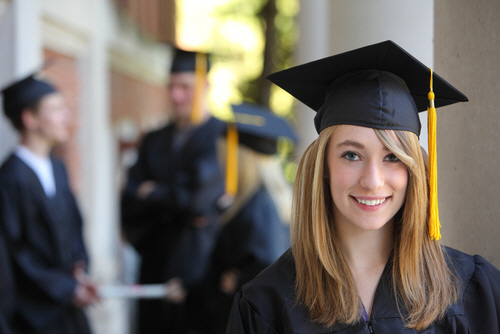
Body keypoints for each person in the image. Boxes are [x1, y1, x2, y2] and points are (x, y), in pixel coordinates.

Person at [226, 40, 500, 333]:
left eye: (392, 157)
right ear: (324, 168)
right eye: (351, 155)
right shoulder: (266, 304)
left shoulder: (472, 290)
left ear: (413, 170)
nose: (372, 180)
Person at [121, 48, 226, 333]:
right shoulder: (154, 140)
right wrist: (179, 201)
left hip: (201, 266)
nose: (176, 96)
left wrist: (153, 193)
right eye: (171, 87)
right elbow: (129, 201)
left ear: (205, 87)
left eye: (185, 87)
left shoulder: (223, 137)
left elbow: (197, 200)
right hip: (155, 261)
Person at [0, 73, 99, 334]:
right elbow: (15, 253)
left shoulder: (57, 167)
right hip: (34, 314)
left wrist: (79, 269)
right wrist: (65, 288)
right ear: (29, 118)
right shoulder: (10, 179)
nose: (66, 116)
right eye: (55, 109)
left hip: (68, 307)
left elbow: (74, 225)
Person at [189, 103, 297, 333]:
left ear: (241, 159)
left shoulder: (260, 204)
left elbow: (268, 263)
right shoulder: (266, 200)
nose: (221, 163)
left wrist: (239, 281)